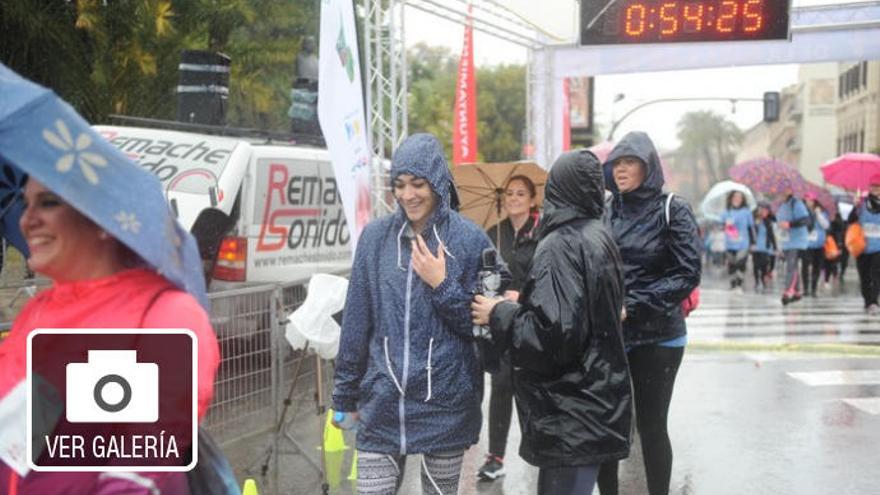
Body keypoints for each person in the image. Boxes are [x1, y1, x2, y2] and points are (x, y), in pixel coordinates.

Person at [0, 178, 220, 494]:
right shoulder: (39, 311)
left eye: (48, 202)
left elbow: (139, 468)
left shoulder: (161, 314)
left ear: (103, 218)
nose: (26, 219)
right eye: (25, 203)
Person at [331, 133, 497, 495]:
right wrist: (344, 395)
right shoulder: (375, 239)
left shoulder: (471, 241)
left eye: (418, 184)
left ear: (438, 182)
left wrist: (442, 284)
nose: (408, 195)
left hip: (447, 403)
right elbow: (357, 321)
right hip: (384, 401)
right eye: (401, 185)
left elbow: (484, 327)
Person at [470, 149, 633, 495]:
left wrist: (498, 312)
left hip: (570, 413)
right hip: (596, 401)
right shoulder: (598, 235)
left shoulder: (559, 245)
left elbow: (552, 336)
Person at [596, 131, 702, 495]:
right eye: (616, 163)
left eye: (630, 162)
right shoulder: (605, 209)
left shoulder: (673, 208)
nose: (621, 169)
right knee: (609, 425)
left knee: (652, 424)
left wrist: (634, 305)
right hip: (612, 333)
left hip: (660, 337)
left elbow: (687, 273)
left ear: (648, 166)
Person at [477, 175, 541, 481]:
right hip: (501, 324)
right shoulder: (493, 234)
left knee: (532, 389)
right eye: (510, 194)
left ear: (532, 200)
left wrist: (523, 296)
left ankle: (541, 450)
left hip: (532, 323)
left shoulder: (543, 234)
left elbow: (548, 278)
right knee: (501, 387)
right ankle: (495, 456)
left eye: (521, 193)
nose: (514, 198)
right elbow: (483, 275)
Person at [848, 176, 880, 313]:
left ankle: (873, 302)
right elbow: (850, 220)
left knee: (876, 274)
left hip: (878, 247)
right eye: (873, 186)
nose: (875, 189)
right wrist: (855, 208)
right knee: (864, 276)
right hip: (862, 246)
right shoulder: (861, 203)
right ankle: (867, 301)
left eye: (878, 186)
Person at [776, 188, 811, 305]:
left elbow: (806, 220)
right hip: (787, 241)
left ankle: (789, 290)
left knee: (792, 266)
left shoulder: (796, 203)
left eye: (786, 189)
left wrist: (790, 224)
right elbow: (780, 222)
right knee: (791, 265)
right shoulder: (782, 205)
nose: (782, 191)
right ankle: (796, 291)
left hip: (797, 241)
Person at [720, 191, 754, 291]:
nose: (737, 199)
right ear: (731, 198)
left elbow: (750, 228)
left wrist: (753, 242)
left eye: (739, 197)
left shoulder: (746, 212)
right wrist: (725, 226)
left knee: (740, 263)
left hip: (743, 243)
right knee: (732, 264)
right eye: (735, 197)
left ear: (743, 199)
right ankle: (733, 283)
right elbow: (721, 226)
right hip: (730, 243)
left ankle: (739, 284)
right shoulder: (726, 212)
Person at [802, 193, 830, 297]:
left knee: (817, 267)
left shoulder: (822, 212)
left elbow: (826, 225)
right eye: (807, 200)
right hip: (806, 244)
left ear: (815, 201)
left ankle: (813, 288)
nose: (809, 202)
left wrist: (818, 214)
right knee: (805, 266)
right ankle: (805, 288)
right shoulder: (802, 212)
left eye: (811, 200)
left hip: (819, 244)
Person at [752, 202, 777, 293]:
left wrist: (775, 246)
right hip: (755, 246)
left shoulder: (769, 221)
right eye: (760, 209)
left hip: (765, 247)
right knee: (756, 265)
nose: (762, 211)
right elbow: (750, 231)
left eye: (764, 210)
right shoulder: (754, 220)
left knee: (764, 265)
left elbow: (771, 234)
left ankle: (763, 280)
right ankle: (757, 281)